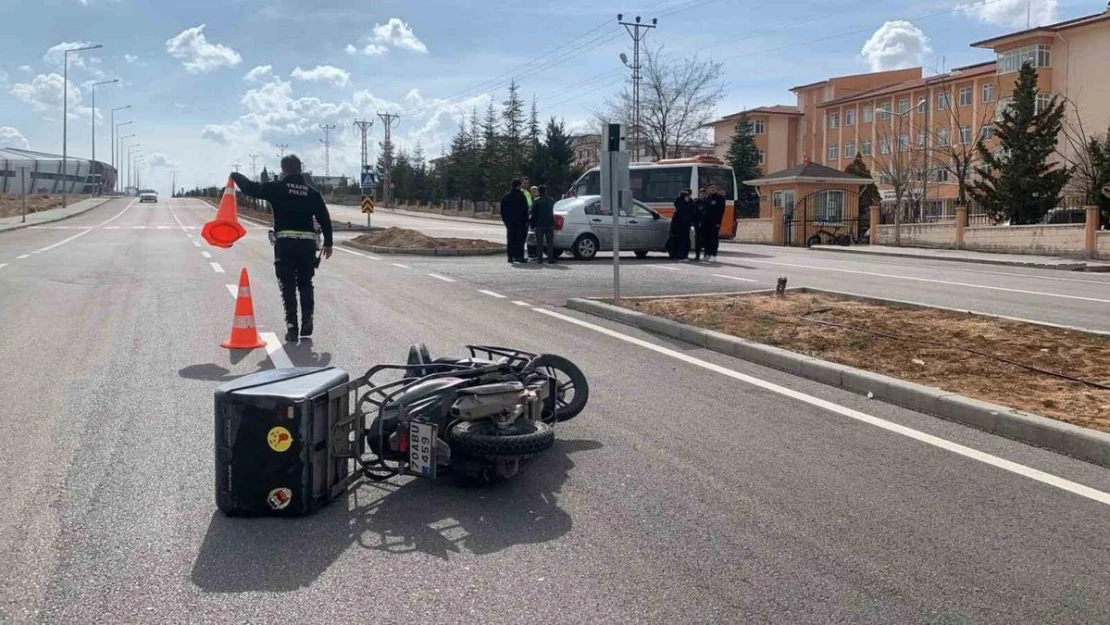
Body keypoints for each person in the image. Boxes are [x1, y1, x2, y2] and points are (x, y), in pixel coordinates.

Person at [230, 154, 333, 343]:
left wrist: (235, 175)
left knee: (287, 286)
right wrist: (328, 243)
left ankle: (292, 327)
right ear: (300, 169)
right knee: (305, 283)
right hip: (307, 244)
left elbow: (251, 188)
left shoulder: (277, 188)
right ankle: (307, 320)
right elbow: (324, 218)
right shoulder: (312, 193)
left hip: (285, 243)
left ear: (283, 169)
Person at [499, 178, 530, 263]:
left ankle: (510, 257)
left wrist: (506, 221)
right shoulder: (521, 196)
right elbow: (525, 209)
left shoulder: (506, 197)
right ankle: (520, 256)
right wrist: (526, 220)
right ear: (519, 186)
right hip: (520, 222)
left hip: (510, 222)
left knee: (510, 239)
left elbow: (502, 211)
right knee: (520, 240)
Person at [531, 184, 557, 264]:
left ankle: (540, 259)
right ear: (546, 191)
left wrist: (532, 224)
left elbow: (534, 214)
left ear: (539, 191)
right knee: (550, 242)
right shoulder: (551, 200)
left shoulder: (536, 201)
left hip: (540, 224)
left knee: (539, 242)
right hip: (550, 223)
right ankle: (550, 259)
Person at [702, 184, 726, 261]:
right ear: (708, 189)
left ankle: (713, 254)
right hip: (706, 222)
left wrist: (718, 222)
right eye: (711, 188)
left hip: (715, 222)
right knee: (706, 238)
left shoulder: (719, 198)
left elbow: (721, 211)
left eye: (714, 188)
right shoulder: (707, 198)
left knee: (713, 238)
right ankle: (707, 254)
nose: (713, 189)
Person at [670, 188, 696, 260]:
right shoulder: (681, 202)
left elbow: (691, 211)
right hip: (680, 224)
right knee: (680, 240)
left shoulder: (689, 202)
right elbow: (682, 209)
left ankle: (681, 254)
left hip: (683, 224)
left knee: (683, 240)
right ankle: (679, 254)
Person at [693, 187, 708, 261]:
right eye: (702, 193)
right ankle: (697, 255)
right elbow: (694, 212)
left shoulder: (707, 202)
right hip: (698, 222)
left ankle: (705, 255)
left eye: (704, 194)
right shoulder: (696, 202)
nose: (703, 195)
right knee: (698, 240)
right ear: (699, 194)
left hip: (706, 222)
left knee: (705, 239)